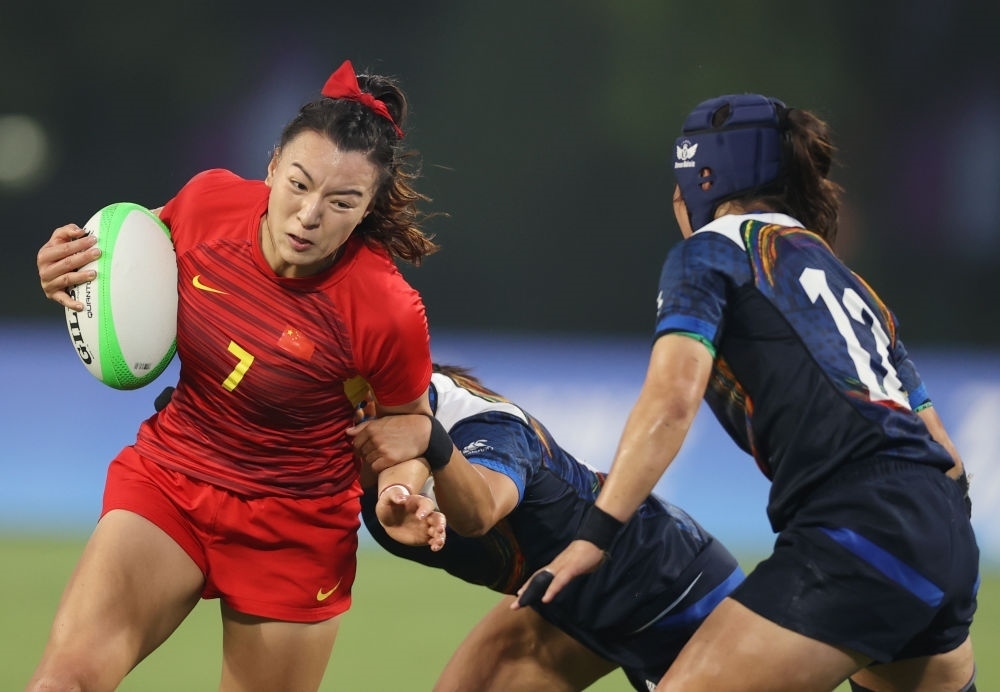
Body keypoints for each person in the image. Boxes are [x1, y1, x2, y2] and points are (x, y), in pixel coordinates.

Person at [522, 94, 980, 691]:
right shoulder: (850, 282)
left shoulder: (710, 251)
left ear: (702, 181)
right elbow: (944, 449)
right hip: (945, 534)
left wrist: (595, 537)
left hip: (859, 527)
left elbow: (670, 402)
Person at [30, 60, 438, 692]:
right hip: (173, 477)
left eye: (341, 202)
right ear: (271, 166)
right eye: (298, 184)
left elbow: (410, 427)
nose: (309, 215)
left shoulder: (385, 310)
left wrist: (401, 490)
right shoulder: (206, 205)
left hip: (294, 530)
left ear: (367, 210)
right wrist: (64, 268)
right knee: (62, 684)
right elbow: (121, 263)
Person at [349, 364, 745, 692]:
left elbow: (479, 513)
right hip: (561, 601)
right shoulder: (354, 467)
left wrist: (434, 443)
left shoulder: (486, 424)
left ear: (367, 404)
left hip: (672, 590)